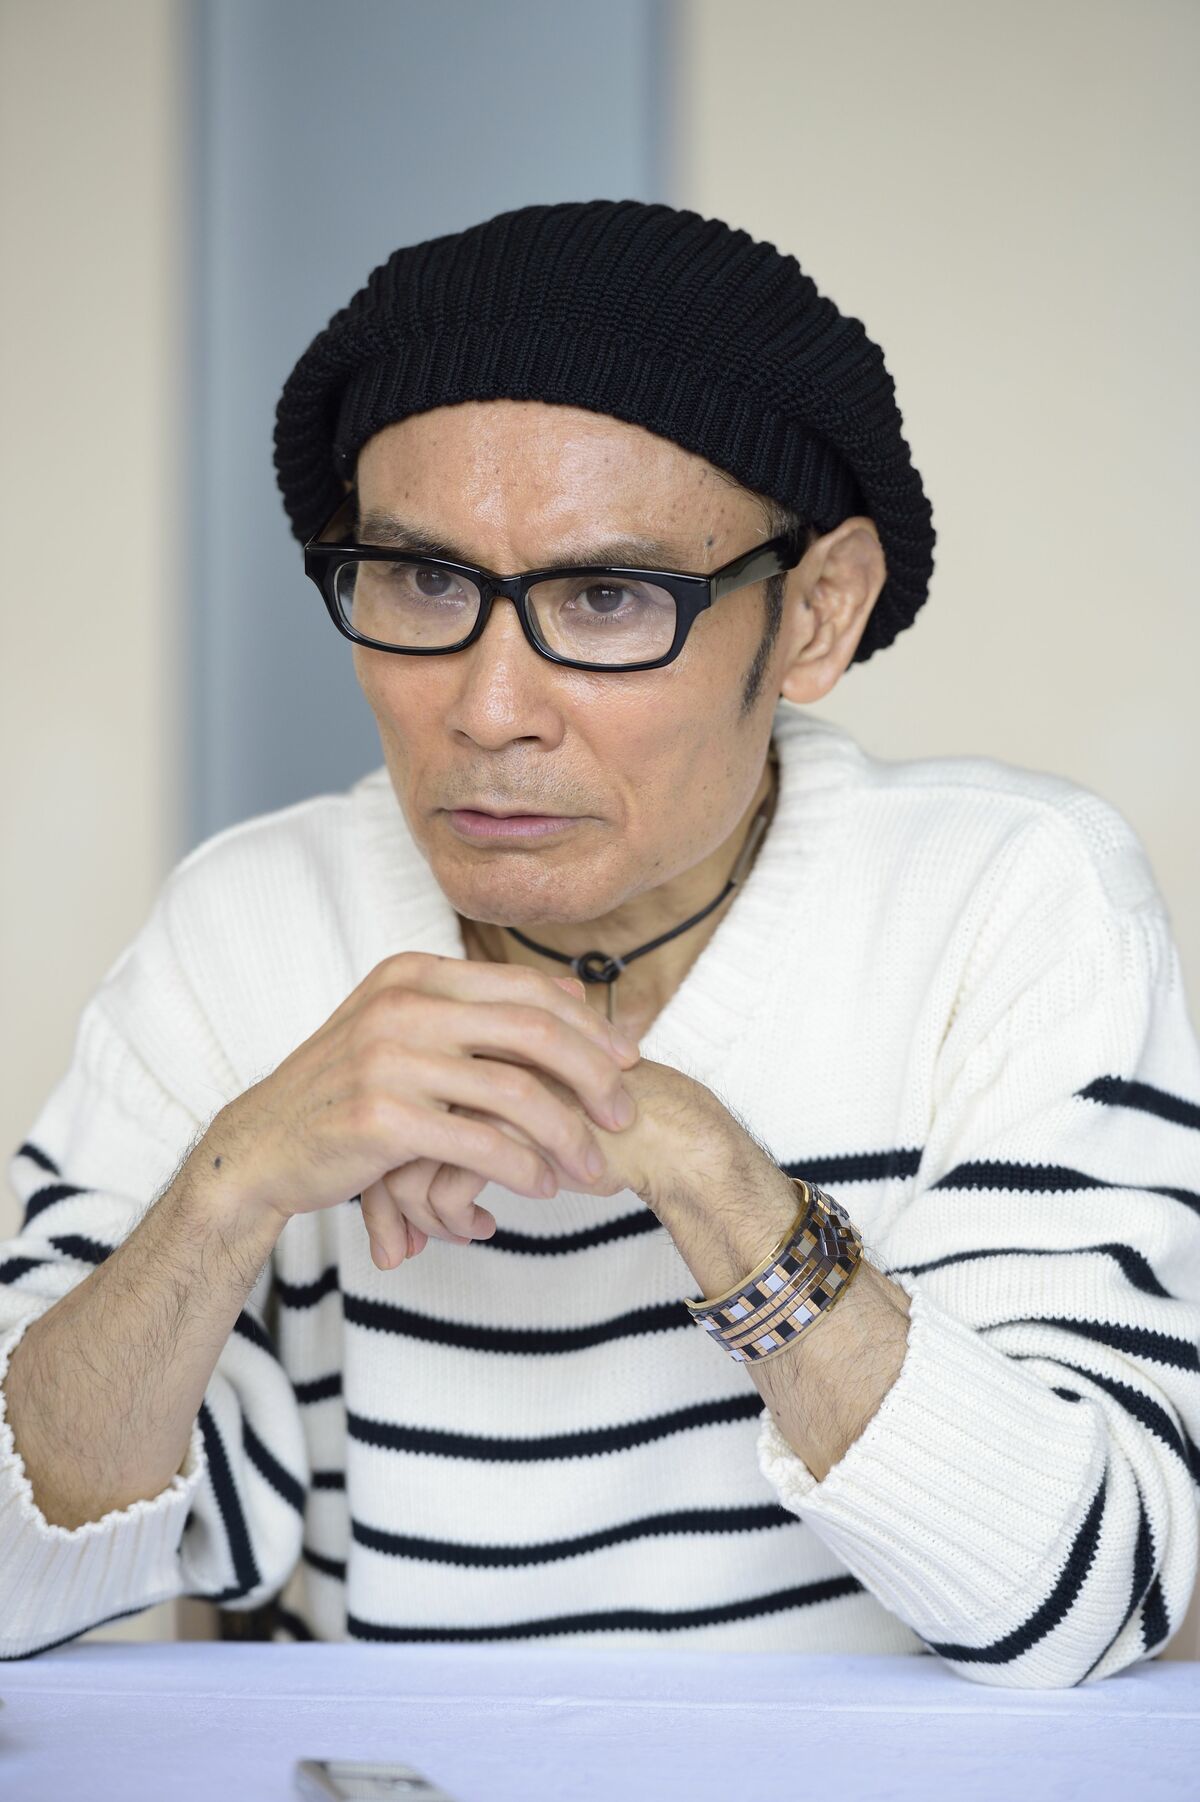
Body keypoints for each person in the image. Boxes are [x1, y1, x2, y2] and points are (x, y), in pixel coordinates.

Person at [2, 200, 1197, 1687]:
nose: (488, 709)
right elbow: (16, 1577)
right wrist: (230, 1187)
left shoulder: (1007, 901)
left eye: (610, 597)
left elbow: (1088, 1594)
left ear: (817, 614)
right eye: (424, 581)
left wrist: (701, 1171)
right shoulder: (252, 924)